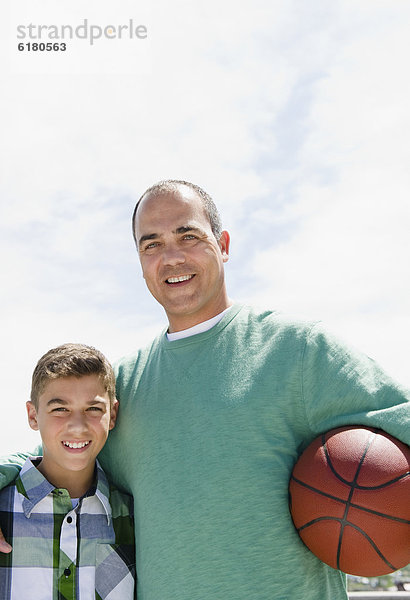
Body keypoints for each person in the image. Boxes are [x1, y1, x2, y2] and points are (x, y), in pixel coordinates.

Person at [0, 180, 409, 600]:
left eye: (188, 236)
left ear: (224, 243)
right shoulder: (125, 382)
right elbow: (61, 449)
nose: (171, 257)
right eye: (151, 244)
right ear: (140, 262)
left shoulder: (297, 350)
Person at [0, 343, 135, 599]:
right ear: (33, 415)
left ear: (113, 413)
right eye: (60, 409)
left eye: (93, 409)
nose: (77, 426)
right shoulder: (2, 507)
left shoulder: (130, 517)